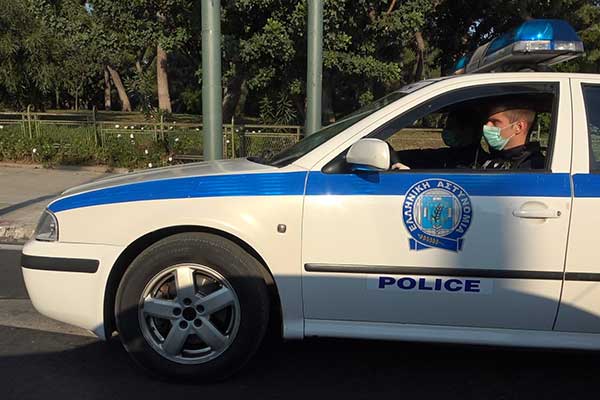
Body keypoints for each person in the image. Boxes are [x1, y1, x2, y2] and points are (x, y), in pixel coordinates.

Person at [477, 102, 544, 170]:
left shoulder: (532, 167)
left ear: (518, 127)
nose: (487, 126)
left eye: (495, 122)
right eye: (487, 121)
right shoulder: (494, 156)